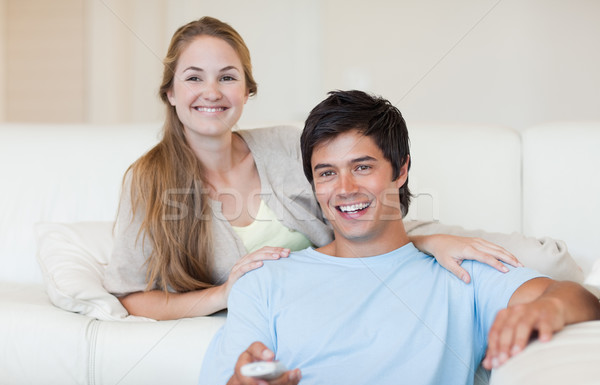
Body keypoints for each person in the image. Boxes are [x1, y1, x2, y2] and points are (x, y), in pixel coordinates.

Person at [103, 16, 578, 321]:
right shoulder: (148, 181)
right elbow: (132, 295)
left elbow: (358, 220)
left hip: (378, 246)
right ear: (169, 92)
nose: (212, 91)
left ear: (247, 90)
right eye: (193, 77)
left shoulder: (288, 145)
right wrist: (222, 295)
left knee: (546, 260)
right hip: (327, 288)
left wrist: (429, 242)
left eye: (228, 77)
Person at [196, 90, 600, 385]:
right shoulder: (265, 280)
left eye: (362, 167)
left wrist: (549, 307)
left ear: (401, 169)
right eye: (327, 173)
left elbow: (577, 298)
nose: (345, 189)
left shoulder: (462, 273)